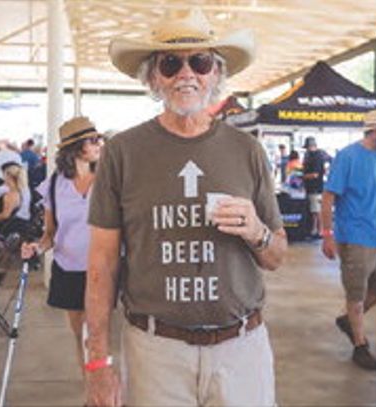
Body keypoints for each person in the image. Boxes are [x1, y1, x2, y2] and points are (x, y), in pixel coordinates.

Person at [85, 10, 287, 407]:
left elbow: (276, 255)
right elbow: (101, 267)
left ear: (216, 74)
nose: (186, 74)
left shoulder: (247, 150)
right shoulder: (122, 153)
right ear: (154, 77)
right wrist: (98, 363)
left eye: (200, 61)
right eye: (171, 63)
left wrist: (256, 231)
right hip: (155, 349)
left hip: (242, 348)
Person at [21, 117, 102, 373]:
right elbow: (50, 234)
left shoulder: (108, 180)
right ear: (76, 148)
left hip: (103, 270)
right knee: (80, 337)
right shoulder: (54, 185)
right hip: (68, 270)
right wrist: (37, 247)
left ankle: (104, 391)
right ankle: (89, 389)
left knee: (98, 336)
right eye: (93, 140)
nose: (99, 143)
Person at [321, 109, 376, 371]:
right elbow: (328, 198)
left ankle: (348, 320)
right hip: (355, 237)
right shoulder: (348, 157)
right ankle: (360, 344)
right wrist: (327, 235)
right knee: (356, 293)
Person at [0, 162, 32, 238]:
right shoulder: (24, 190)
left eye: (4, 175)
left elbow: (5, 215)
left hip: (10, 228)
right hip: (23, 225)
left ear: (8, 176)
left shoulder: (12, 194)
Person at [302, 136, 326, 238]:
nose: (307, 150)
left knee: (316, 211)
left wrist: (302, 176)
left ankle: (319, 230)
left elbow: (315, 174)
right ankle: (314, 229)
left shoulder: (316, 157)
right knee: (314, 210)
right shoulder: (315, 156)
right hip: (314, 188)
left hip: (315, 188)